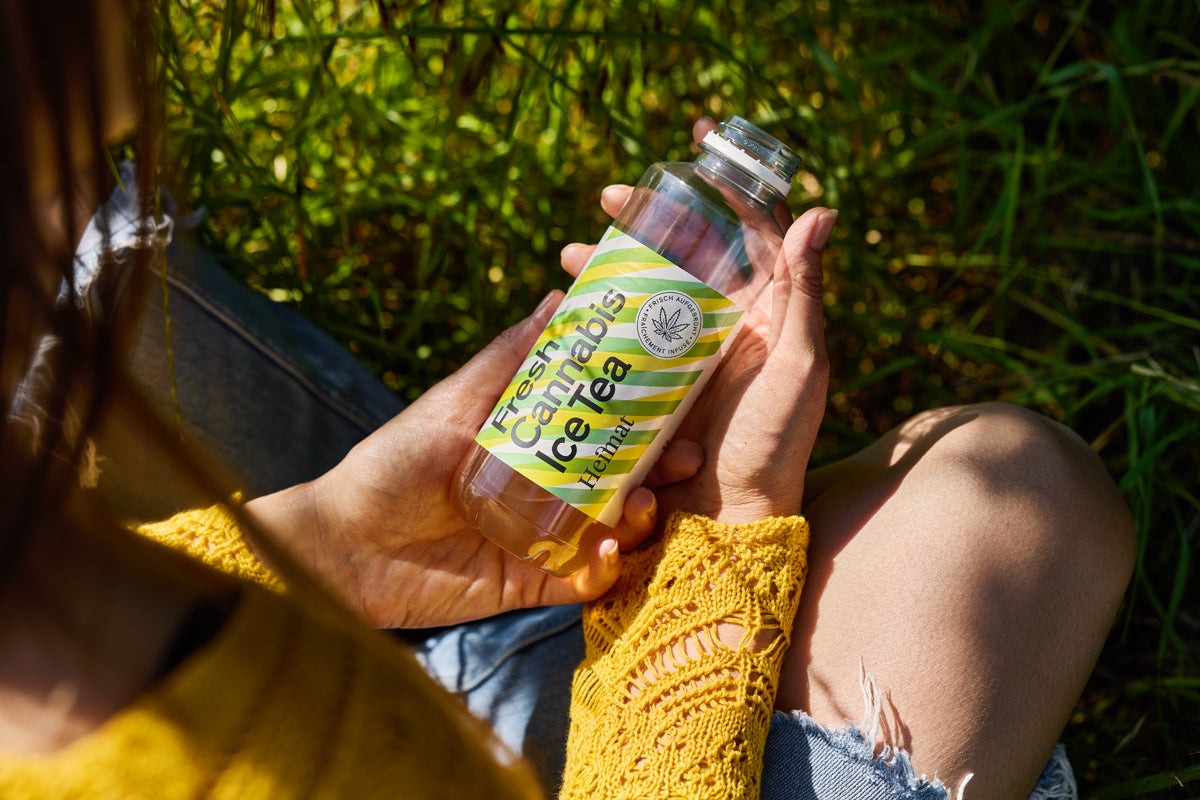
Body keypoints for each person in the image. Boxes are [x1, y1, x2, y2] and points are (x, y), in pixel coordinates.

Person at [0, 2, 1134, 800]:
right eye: (71, 169)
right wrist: (724, 534)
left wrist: (339, 538)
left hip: (374, 606)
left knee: (108, 286)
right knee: (1018, 499)